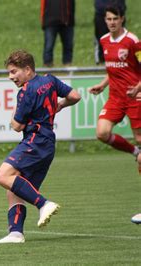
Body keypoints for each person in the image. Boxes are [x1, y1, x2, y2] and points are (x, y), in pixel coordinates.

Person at [0, 50, 81, 244]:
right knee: (13, 188)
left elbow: (17, 126)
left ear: (28, 69)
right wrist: (61, 105)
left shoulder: (26, 90)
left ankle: (43, 204)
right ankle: (16, 233)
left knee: (2, 176)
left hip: (35, 141)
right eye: (9, 73)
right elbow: (75, 96)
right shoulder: (50, 80)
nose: (10, 77)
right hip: (47, 143)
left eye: (14, 72)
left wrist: (14, 110)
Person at [88, 6, 141, 224]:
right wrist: (102, 85)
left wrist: (138, 88)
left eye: (115, 19)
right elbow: (113, 70)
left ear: (122, 19)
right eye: (108, 19)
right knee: (102, 132)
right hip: (116, 98)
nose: (111, 22)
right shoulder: (103, 40)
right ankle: (134, 151)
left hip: (135, 97)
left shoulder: (133, 41)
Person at [40, 0, 75, 67]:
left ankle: (67, 65)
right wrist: (43, 21)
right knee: (49, 46)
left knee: (68, 45)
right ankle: (47, 65)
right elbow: (43, 5)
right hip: (50, 22)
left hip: (67, 22)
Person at [94, 0, 126, 64]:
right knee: (101, 38)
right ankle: (101, 60)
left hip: (118, 10)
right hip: (101, 11)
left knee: (120, 38)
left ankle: (119, 61)